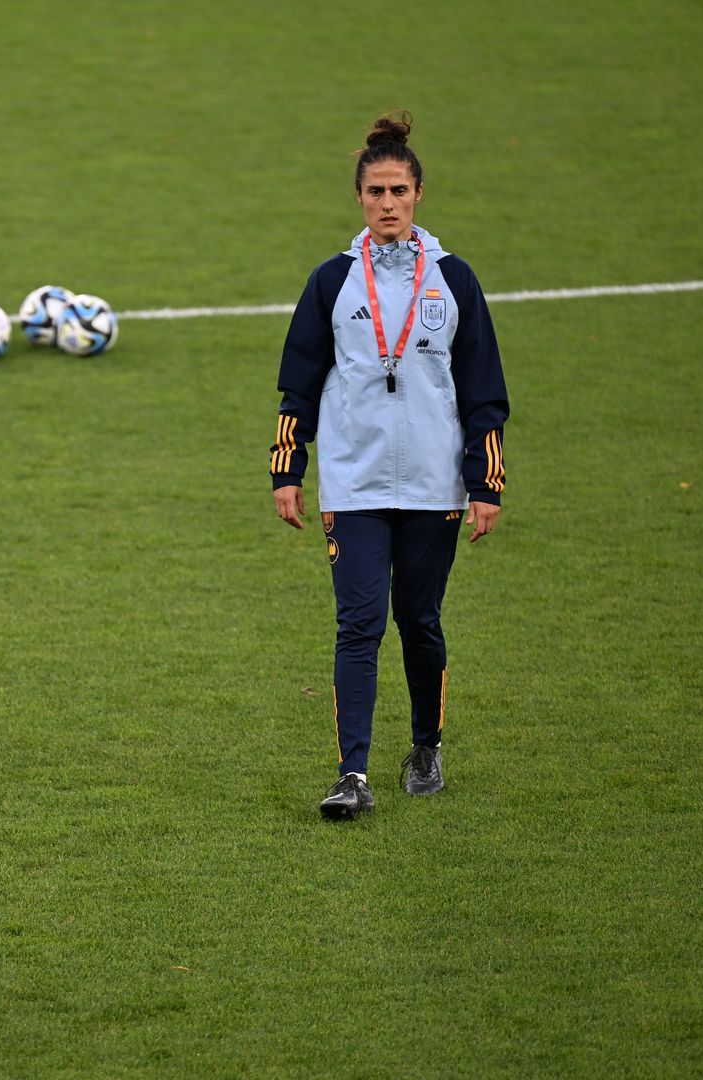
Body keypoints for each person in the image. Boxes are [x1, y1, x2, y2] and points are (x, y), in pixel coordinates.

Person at [268, 112, 510, 821]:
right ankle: (352, 774)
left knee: (420, 619)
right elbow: (298, 382)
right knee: (359, 622)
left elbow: (484, 391)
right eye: (374, 191)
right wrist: (288, 470)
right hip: (354, 479)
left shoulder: (454, 282)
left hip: (435, 484)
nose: (387, 203)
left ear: (419, 194)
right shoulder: (332, 282)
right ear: (359, 199)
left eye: (398, 189)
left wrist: (484, 484)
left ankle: (426, 745)